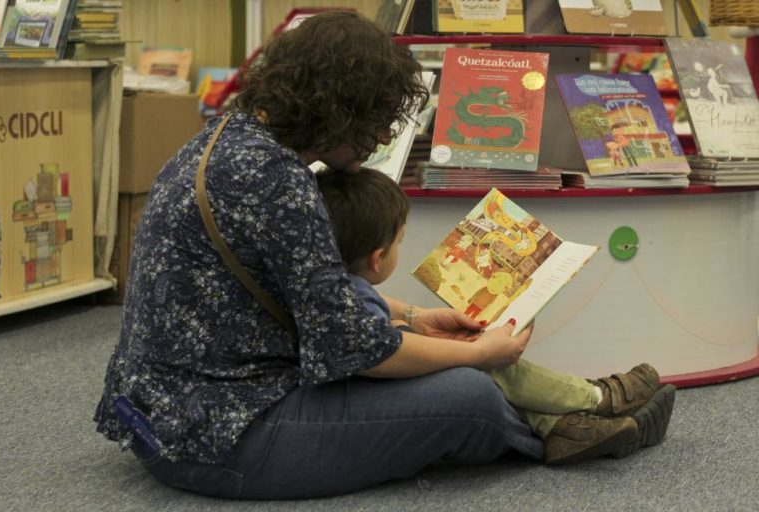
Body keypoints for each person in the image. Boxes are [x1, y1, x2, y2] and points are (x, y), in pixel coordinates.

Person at [94, 12, 674, 500]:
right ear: (339, 107)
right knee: (465, 394)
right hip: (222, 433)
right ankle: (560, 428)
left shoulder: (227, 139)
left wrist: (416, 319)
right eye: (374, 120)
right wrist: (474, 355)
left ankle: (573, 413)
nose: (378, 139)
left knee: (438, 356)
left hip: (171, 411)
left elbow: (309, 293)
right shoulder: (276, 182)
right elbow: (353, 350)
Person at [315, 166, 675, 466]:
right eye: (400, 241)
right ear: (378, 259)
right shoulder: (354, 298)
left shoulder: (334, 286)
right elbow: (381, 352)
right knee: (482, 362)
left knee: (462, 349)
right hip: (362, 397)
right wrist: (473, 351)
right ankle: (597, 400)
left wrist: (413, 320)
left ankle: (562, 426)